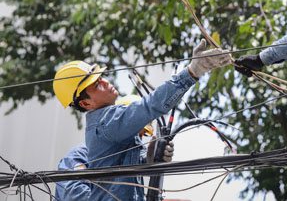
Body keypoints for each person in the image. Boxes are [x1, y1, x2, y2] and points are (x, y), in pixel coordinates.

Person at [52, 39, 231, 200]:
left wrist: (151, 155)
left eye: (101, 78)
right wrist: (192, 72)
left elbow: (131, 163)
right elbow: (149, 106)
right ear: (85, 103)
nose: (106, 82)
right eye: (97, 84)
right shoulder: (106, 123)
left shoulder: (116, 138)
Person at [54, 97, 174, 201]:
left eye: (141, 136)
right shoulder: (79, 155)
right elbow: (74, 195)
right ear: (116, 129)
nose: (138, 142)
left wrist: (152, 160)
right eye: (135, 135)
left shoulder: (129, 163)